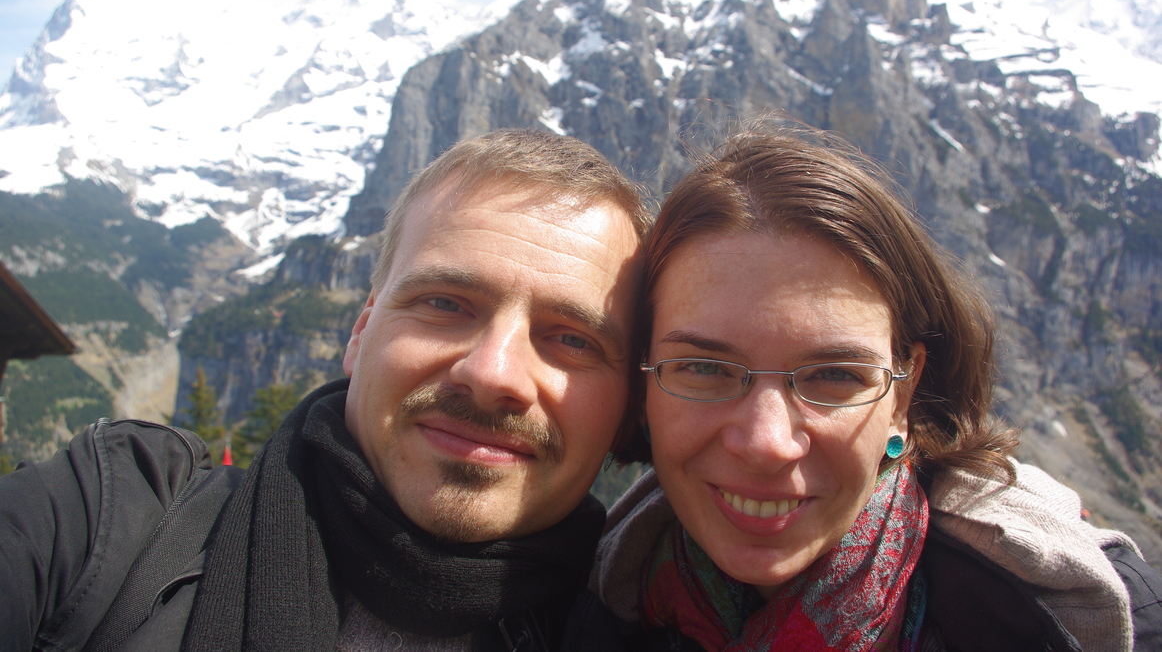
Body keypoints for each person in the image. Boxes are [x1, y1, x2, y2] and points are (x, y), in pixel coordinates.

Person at [0, 129, 648, 652]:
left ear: (630, 410)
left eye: (573, 340)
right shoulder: (112, 514)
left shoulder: (640, 633)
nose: (492, 372)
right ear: (361, 331)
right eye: (445, 303)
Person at [592, 124, 1162, 651]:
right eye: (705, 368)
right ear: (643, 386)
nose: (767, 444)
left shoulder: (1075, 611)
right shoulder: (590, 601)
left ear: (902, 398)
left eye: (835, 375)